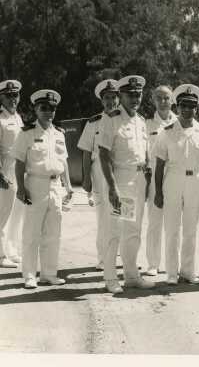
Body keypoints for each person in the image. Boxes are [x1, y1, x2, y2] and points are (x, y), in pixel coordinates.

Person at [153, 84, 199, 285]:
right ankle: (171, 273)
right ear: (177, 107)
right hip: (172, 180)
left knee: (191, 229)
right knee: (172, 228)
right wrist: (158, 192)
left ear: (196, 108)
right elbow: (159, 164)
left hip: (195, 182)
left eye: (192, 106)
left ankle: (188, 271)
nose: (188, 110)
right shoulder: (167, 132)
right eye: (183, 106)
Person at [98, 75, 155, 294]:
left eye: (138, 94)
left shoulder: (140, 121)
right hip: (121, 180)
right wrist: (112, 187)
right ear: (120, 96)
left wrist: (147, 181)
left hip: (138, 181)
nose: (134, 98)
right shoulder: (111, 119)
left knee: (133, 231)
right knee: (115, 231)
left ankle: (131, 275)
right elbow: (104, 154)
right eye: (130, 95)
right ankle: (110, 277)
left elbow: (146, 153)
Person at [12, 89, 73, 289]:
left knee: (53, 232)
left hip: (56, 186)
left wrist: (69, 186)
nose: (48, 112)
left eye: (52, 108)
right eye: (44, 108)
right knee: (31, 233)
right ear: (36, 110)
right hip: (35, 184)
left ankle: (49, 273)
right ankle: (29, 275)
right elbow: (19, 162)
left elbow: (63, 161)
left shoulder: (59, 133)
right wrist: (21, 187)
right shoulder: (27, 133)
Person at [77, 79, 119, 270]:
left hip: (122, 172)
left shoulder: (125, 120)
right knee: (103, 217)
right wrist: (86, 178)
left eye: (113, 97)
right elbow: (86, 151)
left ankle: (123, 257)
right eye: (106, 98)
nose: (110, 102)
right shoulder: (94, 123)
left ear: (119, 99)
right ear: (101, 101)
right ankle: (103, 258)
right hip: (100, 173)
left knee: (123, 215)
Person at [145, 85, 177, 276]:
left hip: (175, 175)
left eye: (166, 98)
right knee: (154, 222)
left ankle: (171, 262)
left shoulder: (181, 122)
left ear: (172, 100)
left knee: (173, 223)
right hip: (154, 175)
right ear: (153, 100)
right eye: (159, 98)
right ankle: (152, 264)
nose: (163, 102)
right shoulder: (147, 124)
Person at [0, 80, 24, 268]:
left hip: (20, 168)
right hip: (6, 168)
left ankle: (11, 250)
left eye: (15, 95)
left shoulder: (17, 117)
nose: (13, 99)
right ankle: (0, 255)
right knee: (3, 213)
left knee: (16, 213)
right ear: (1, 97)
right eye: (9, 96)